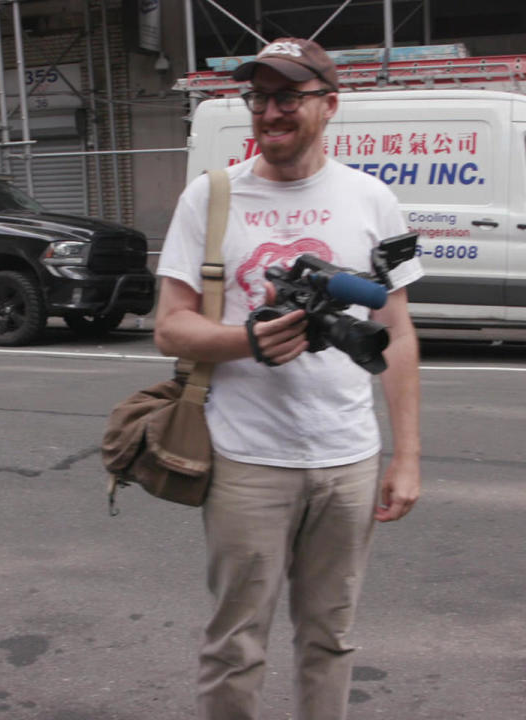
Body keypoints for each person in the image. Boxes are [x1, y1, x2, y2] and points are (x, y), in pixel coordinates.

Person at [154, 38, 422, 720]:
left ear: (328, 106)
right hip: (248, 459)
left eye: (287, 97)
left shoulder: (372, 199)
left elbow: (399, 332)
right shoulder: (210, 198)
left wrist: (408, 456)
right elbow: (169, 327)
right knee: (235, 645)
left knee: (330, 640)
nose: (270, 112)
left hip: (349, 458)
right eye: (259, 98)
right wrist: (246, 339)